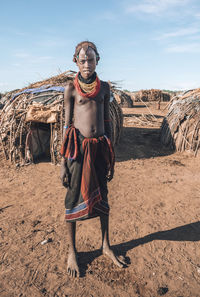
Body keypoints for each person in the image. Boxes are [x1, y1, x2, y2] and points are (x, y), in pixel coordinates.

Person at [60, 41, 126, 277]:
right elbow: (67, 126)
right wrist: (63, 164)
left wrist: (110, 154)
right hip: (78, 152)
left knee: (104, 200)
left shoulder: (105, 88)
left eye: (91, 59)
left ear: (98, 59)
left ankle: (106, 245)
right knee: (72, 200)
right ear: (75, 61)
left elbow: (107, 123)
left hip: (99, 151)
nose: (87, 63)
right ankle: (72, 252)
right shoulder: (71, 89)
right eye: (82, 59)